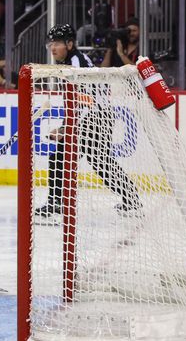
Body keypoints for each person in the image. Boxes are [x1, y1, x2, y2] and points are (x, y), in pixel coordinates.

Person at [35, 24, 141, 218]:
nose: (53, 48)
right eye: (50, 44)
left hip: (96, 116)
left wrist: (67, 128)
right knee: (100, 162)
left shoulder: (75, 63)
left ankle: (56, 202)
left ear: (69, 44)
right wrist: (66, 126)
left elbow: (84, 99)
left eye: (57, 43)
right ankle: (131, 198)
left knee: (62, 157)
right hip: (97, 115)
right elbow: (77, 101)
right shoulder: (71, 61)